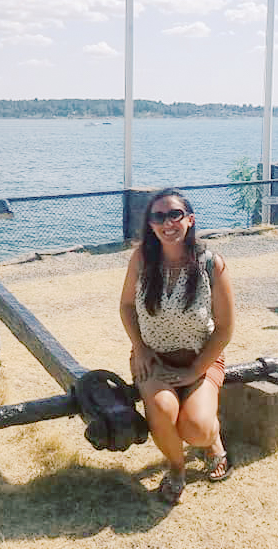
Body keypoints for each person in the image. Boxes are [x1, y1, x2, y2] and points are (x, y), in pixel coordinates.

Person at [119, 188, 235, 505]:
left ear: (190, 220)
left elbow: (225, 329)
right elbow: (127, 307)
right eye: (158, 216)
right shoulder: (142, 259)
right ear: (151, 225)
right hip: (153, 358)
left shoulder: (212, 265)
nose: (167, 222)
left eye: (175, 214)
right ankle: (176, 468)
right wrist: (140, 349)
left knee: (196, 429)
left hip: (202, 359)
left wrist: (196, 371)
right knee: (161, 409)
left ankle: (214, 443)